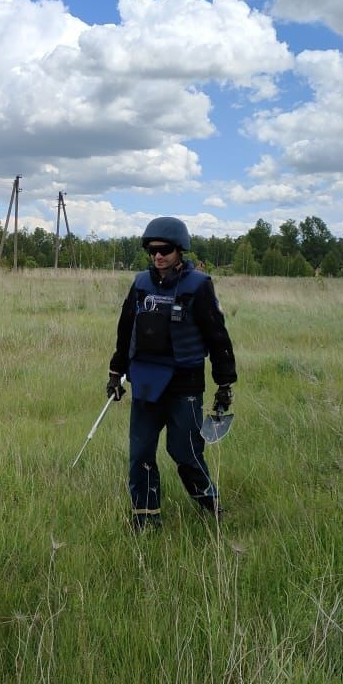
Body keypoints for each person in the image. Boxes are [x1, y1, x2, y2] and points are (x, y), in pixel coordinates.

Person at [106, 216, 237, 530]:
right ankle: (146, 521)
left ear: (180, 250)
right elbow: (126, 332)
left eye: (164, 249)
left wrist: (224, 384)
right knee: (140, 454)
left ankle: (212, 507)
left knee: (184, 452)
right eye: (152, 250)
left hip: (184, 386)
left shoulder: (199, 286)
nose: (158, 256)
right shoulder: (140, 285)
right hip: (147, 383)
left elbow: (218, 338)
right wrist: (115, 372)